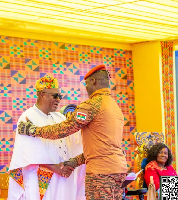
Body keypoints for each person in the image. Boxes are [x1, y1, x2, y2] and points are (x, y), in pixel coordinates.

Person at [18, 65, 128, 200]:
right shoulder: (114, 106)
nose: (86, 88)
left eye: (86, 84)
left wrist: (33, 130)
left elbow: (64, 129)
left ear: (93, 81)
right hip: (118, 170)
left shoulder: (91, 106)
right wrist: (74, 162)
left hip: (101, 173)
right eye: (55, 95)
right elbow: (100, 148)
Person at [8, 75, 85, 200]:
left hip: (62, 177)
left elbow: (74, 140)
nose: (58, 100)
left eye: (59, 96)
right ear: (42, 94)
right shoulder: (28, 117)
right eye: (55, 96)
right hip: (40, 178)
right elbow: (28, 152)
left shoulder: (59, 118)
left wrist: (68, 165)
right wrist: (55, 168)